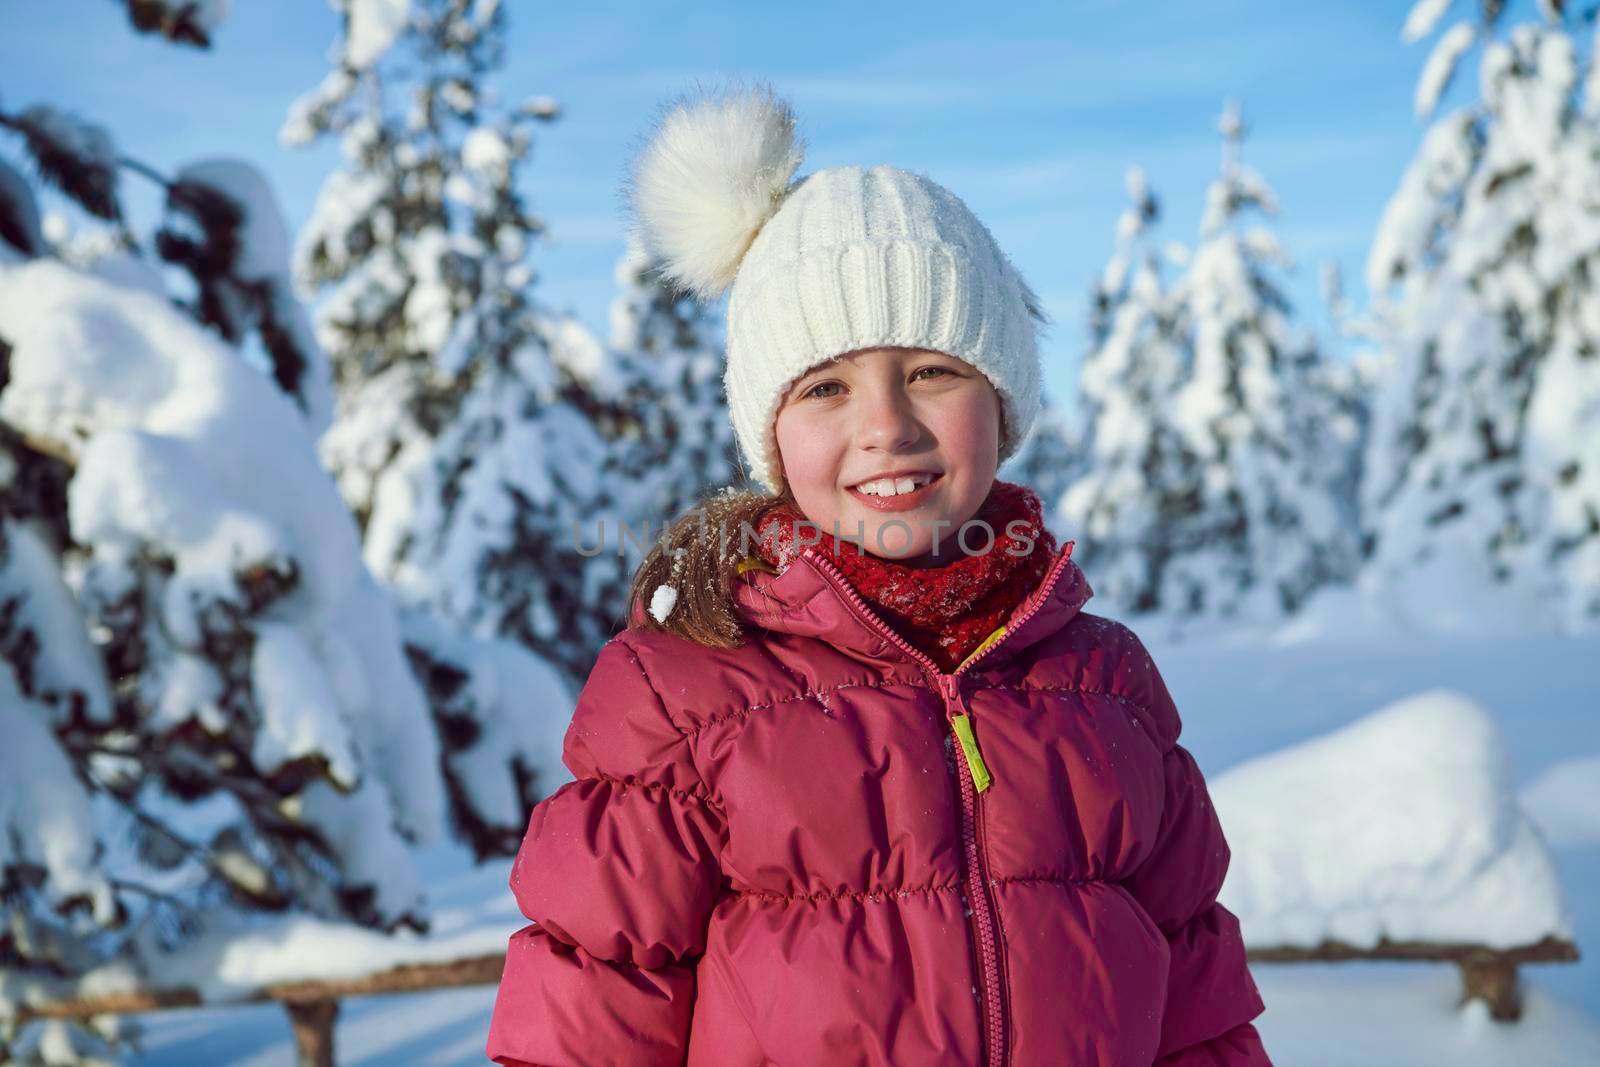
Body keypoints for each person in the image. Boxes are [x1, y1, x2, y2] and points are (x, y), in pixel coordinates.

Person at [486, 80, 1271, 1067]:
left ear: (1003, 400)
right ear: (770, 434)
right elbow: (587, 1012)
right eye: (826, 386)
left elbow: (1195, 1007)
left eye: (933, 372)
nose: (887, 426)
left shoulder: (1107, 685)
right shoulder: (680, 693)